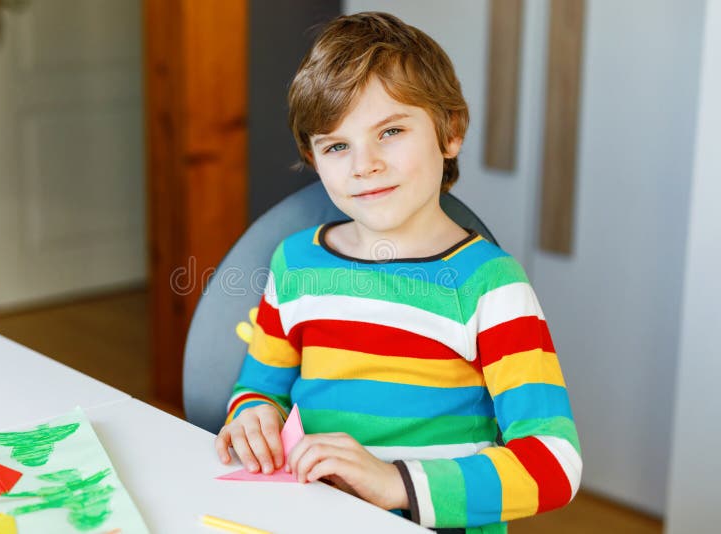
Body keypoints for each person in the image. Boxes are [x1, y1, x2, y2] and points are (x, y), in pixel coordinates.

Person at [214, 11, 581, 533]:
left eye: (390, 132)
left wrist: (394, 482)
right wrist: (252, 415)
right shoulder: (295, 263)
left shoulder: (491, 287)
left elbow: (554, 462)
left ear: (450, 132)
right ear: (314, 159)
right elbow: (260, 388)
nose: (364, 164)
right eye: (337, 145)